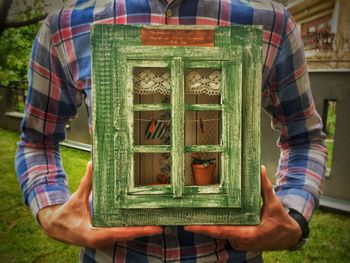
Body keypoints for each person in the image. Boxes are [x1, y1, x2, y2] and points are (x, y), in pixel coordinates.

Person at [15, 0, 327, 262]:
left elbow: (304, 138)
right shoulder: (66, 27)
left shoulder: (271, 22)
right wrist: (51, 210)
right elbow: (37, 141)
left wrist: (294, 216)